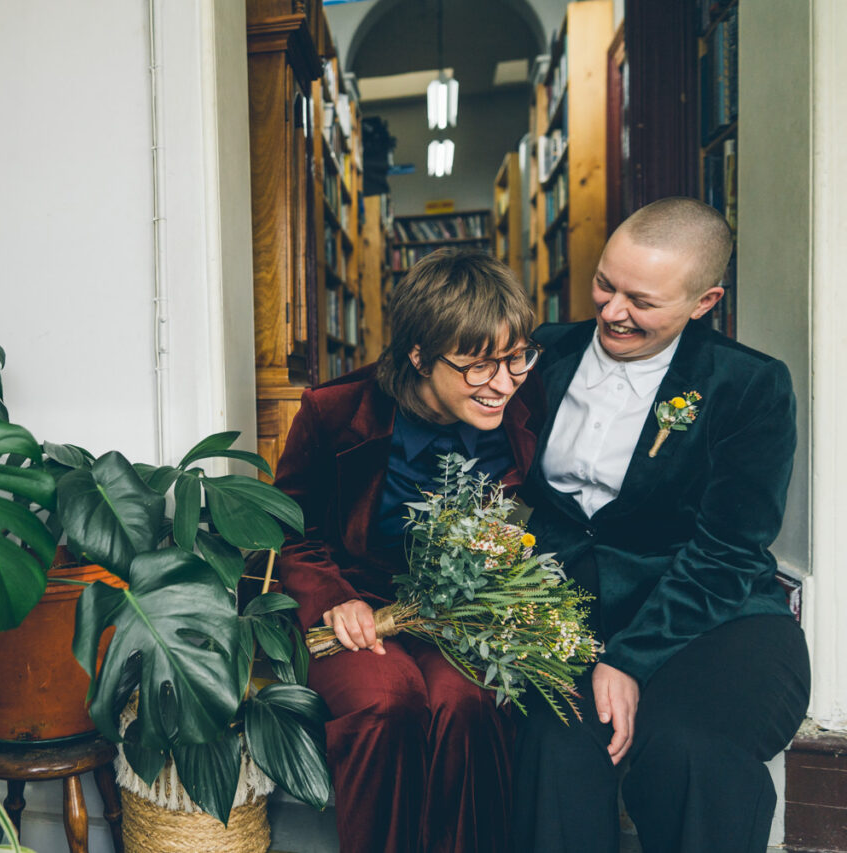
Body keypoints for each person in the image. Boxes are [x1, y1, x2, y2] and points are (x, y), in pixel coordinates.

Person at [511, 197, 811, 853]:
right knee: (553, 744)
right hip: (573, 614)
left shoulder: (748, 385)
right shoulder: (543, 355)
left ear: (704, 302)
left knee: (688, 749)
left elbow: (730, 550)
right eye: (604, 285)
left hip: (719, 616)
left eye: (641, 301)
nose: (613, 311)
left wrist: (630, 659)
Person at [274, 249, 544, 853]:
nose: (502, 384)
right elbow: (289, 528)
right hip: (356, 605)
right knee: (385, 699)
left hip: (462, 614)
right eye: (478, 366)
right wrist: (334, 600)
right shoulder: (334, 411)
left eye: (515, 359)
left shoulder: (526, 407)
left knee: (467, 701)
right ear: (419, 355)